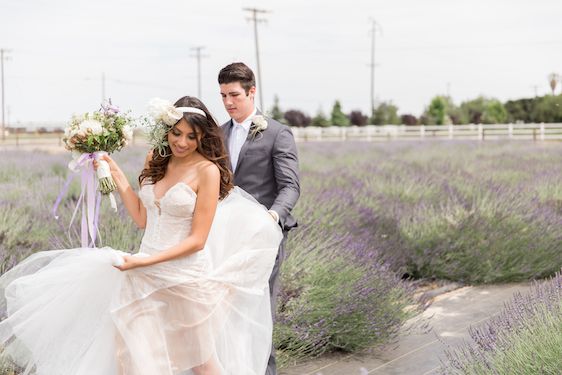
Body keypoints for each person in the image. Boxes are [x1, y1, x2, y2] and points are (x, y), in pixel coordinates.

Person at [0, 96, 283, 375]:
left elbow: (197, 241)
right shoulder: (155, 158)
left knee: (201, 363)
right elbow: (141, 218)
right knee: (135, 359)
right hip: (140, 277)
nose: (182, 142)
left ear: (202, 138)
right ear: (166, 131)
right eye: (176, 133)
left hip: (184, 279)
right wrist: (115, 173)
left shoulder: (206, 171)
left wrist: (142, 262)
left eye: (191, 137)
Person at [218, 62, 300, 375]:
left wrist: (271, 218)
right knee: (227, 313)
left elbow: (291, 187)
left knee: (258, 313)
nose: (228, 102)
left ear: (252, 92)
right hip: (224, 236)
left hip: (263, 236)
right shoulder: (218, 134)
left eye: (234, 95)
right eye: (223, 95)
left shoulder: (277, 133)